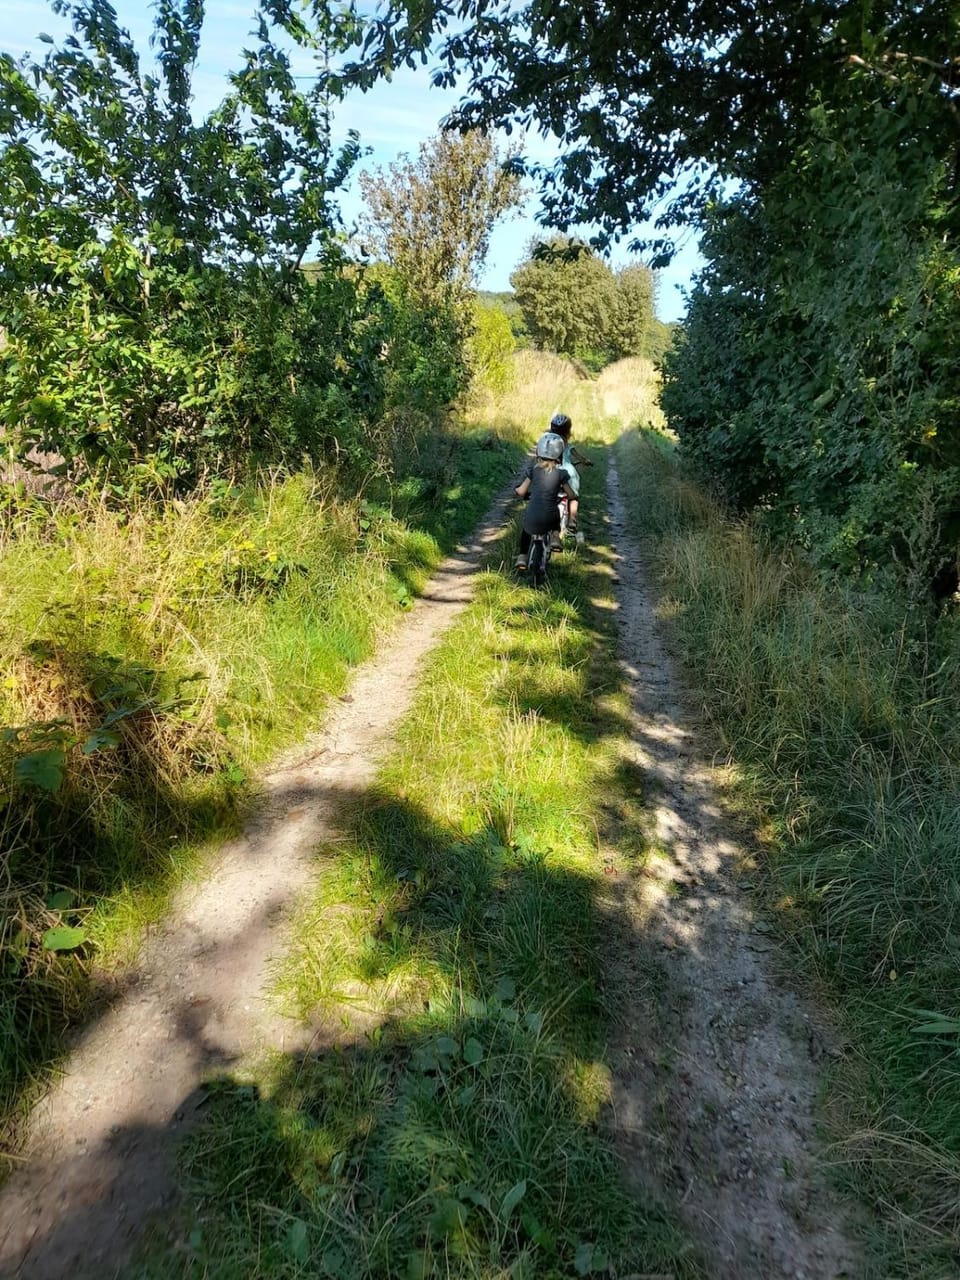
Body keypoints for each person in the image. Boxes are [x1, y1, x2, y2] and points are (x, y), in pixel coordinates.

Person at [513, 431, 579, 570]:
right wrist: (571, 496)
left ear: (539, 453)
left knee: (526, 531)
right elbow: (570, 494)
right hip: (550, 516)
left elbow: (522, 491)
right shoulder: (561, 474)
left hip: (532, 516)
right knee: (555, 520)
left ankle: (522, 557)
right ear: (559, 455)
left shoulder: (533, 471)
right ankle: (555, 537)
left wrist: (517, 490)